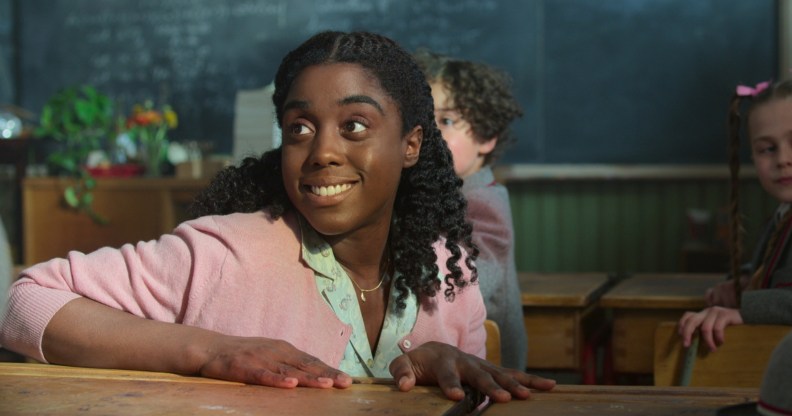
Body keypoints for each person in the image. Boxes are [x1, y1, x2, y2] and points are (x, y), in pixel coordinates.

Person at [0, 31, 555, 402]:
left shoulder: (446, 272)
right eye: (300, 128)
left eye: (355, 126)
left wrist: (445, 376)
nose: (322, 152)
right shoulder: (229, 250)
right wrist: (210, 348)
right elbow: (24, 302)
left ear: (411, 144)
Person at [414, 51, 527, 371]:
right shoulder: (431, 194)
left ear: (487, 136)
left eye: (447, 121)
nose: (431, 133)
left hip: (488, 379)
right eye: (424, 118)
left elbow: (461, 286)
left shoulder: (486, 204)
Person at [678, 79, 792, 352]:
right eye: (768, 149)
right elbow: (777, 270)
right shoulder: (782, 215)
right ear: (752, 155)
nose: (783, 159)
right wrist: (746, 280)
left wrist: (745, 311)